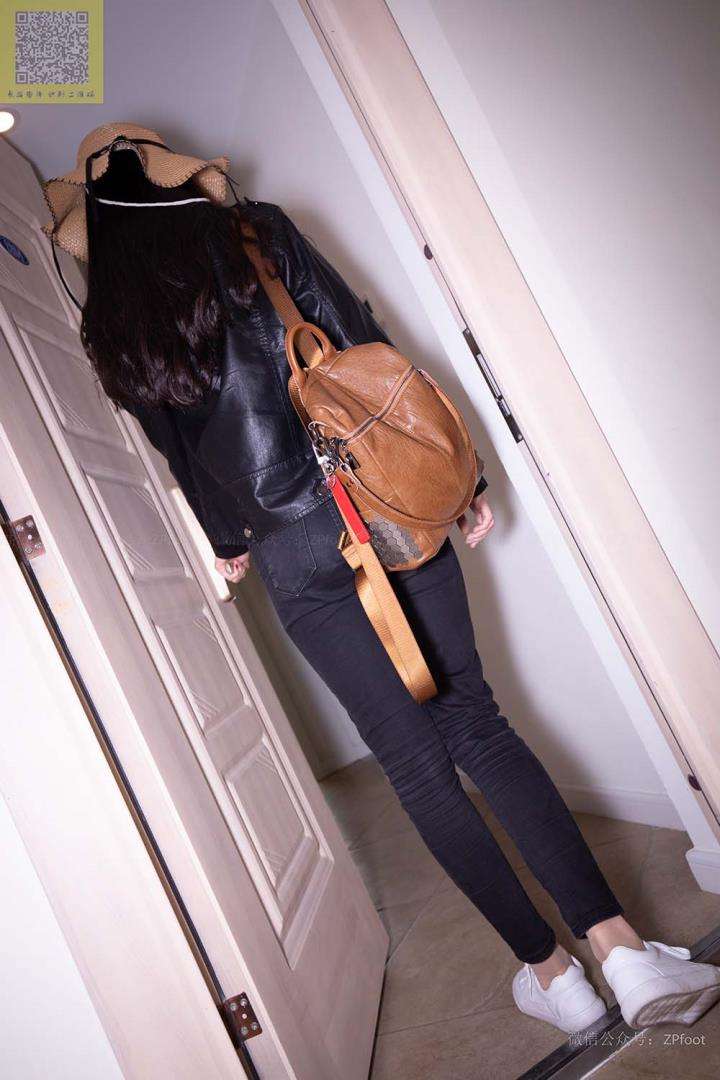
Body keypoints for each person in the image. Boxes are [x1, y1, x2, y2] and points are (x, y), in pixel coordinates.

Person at [44, 123, 720, 1037]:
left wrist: (226, 536)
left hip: (288, 549)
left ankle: (555, 979)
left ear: (97, 222)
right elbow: (365, 348)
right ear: (174, 180)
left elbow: (175, 445)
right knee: (474, 722)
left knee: (413, 765)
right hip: (379, 502)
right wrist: (457, 475)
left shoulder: (113, 318)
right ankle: (624, 954)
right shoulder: (253, 230)